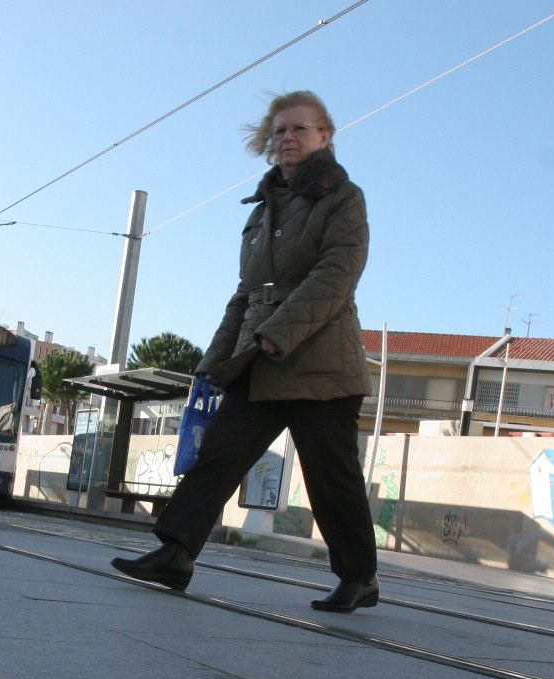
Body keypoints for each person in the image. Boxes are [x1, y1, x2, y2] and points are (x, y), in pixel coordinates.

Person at [112, 90, 379, 613]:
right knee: (219, 455)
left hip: (322, 365)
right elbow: (246, 291)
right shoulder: (263, 208)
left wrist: (279, 331)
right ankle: (174, 554)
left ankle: (359, 578)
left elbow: (337, 275)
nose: (288, 138)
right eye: (280, 130)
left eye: (300, 129)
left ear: (325, 137)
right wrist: (214, 362)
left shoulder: (344, 198)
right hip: (260, 359)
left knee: (332, 479)